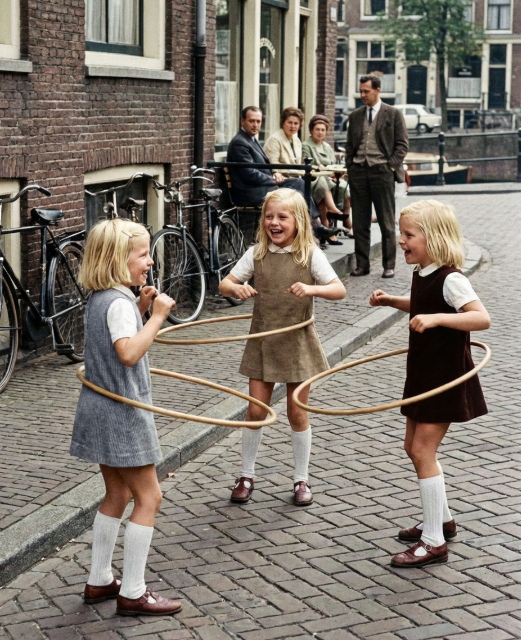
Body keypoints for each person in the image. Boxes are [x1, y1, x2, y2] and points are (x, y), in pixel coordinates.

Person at [70, 218, 182, 616]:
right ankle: (133, 591)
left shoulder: (105, 298)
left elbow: (114, 334)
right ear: (119, 259)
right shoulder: (117, 303)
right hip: (122, 413)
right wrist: (157, 317)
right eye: (143, 255)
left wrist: (140, 309)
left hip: (98, 409)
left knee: (118, 495)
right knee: (150, 497)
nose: (149, 261)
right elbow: (128, 353)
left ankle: (99, 579)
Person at [369, 200, 490, 567]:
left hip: (444, 377)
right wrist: (393, 301)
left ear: (434, 238)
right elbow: (422, 302)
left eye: (409, 235)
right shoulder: (423, 272)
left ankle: (435, 542)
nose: (401, 241)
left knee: (423, 451)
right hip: (422, 374)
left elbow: (480, 318)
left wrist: (438, 319)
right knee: (412, 447)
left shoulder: (452, 278)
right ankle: (442, 519)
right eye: (400, 234)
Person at [219, 189, 346, 506]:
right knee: (255, 410)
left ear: (298, 221)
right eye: (269, 216)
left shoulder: (309, 255)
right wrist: (237, 288)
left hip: (297, 341)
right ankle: (246, 475)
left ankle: (301, 479)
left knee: (297, 411)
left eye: (282, 217)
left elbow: (338, 289)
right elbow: (225, 284)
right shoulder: (257, 253)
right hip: (263, 339)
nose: (274, 222)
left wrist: (312, 289)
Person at [226, 106, 335, 242]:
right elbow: (249, 173)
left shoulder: (251, 139)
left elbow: (262, 168)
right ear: (242, 121)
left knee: (299, 183)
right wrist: (272, 178)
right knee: (294, 191)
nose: (255, 125)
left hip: (261, 187)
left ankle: (313, 227)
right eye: (251, 121)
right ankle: (312, 229)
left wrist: (275, 174)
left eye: (258, 121)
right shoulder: (240, 142)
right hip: (249, 193)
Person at [346, 75, 409, 279]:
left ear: (377, 90)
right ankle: (362, 265)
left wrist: (390, 166)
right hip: (358, 173)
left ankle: (389, 265)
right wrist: (351, 166)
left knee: (386, 222)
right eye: (361, 91)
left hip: (382, 173)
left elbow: (402, 145)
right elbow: (349, 145)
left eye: (366, 91)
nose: (362, 95)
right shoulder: (355, 116)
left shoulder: (393, 114)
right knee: (360, 221)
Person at [302, 114, 354, 244]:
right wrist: (320, 168)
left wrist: (336, 174)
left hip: (329, 179)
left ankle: (347, 222)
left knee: (345, 186)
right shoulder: (306, 145)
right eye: (317, 129)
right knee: (322, 184)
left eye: (323, 130)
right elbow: (306, 164)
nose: (320, 132)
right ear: (311, 130)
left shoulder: (327, 147)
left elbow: (333, 164)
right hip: (313, 179)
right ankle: (327, 221)